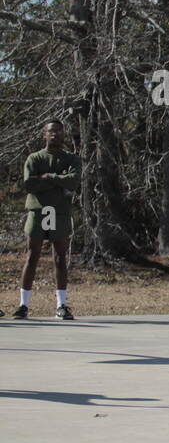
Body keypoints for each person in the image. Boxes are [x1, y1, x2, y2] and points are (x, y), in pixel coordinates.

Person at [14, 119, 81, 320]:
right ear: (44, 134)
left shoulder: (71, 159)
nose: (56, 134)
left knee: (59, 258)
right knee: (32, 256)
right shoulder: (34, 158)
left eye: (59, 131)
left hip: (59, 212)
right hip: (38, 211)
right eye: (51, 131)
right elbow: (29, 184)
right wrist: (58, 181)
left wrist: (48, 177)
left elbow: (73, 181)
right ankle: (23, 305)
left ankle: (61, 305)